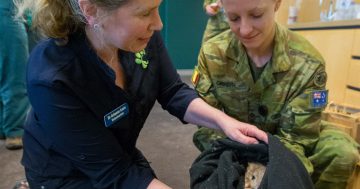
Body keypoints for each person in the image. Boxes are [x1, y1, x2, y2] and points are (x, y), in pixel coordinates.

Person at [18, 0, 268, 188]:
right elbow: (114, 172)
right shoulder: (53, 77)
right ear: (91, 10)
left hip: (119, 153)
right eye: (145, 12)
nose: (158, 23)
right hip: (65, 174)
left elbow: (172, 92)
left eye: (157, 7)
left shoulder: (140, 37)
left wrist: (225, 123)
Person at [191, 0, 360, 188]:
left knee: (342, 153)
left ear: (277, 3)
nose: (245, 30)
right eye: (234, 18)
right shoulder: (212, 54)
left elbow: (297, 139)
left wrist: (273, 174)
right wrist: (237, 165)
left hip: (287, 140)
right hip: (234, 141)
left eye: (256, 15)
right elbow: (207, 128)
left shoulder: (308, 63)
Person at [0, 0, 30, 150]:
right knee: (16, 74)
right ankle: (15, 131)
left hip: (15, 8)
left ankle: (5, 127)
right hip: (8, 9)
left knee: (7, 71)